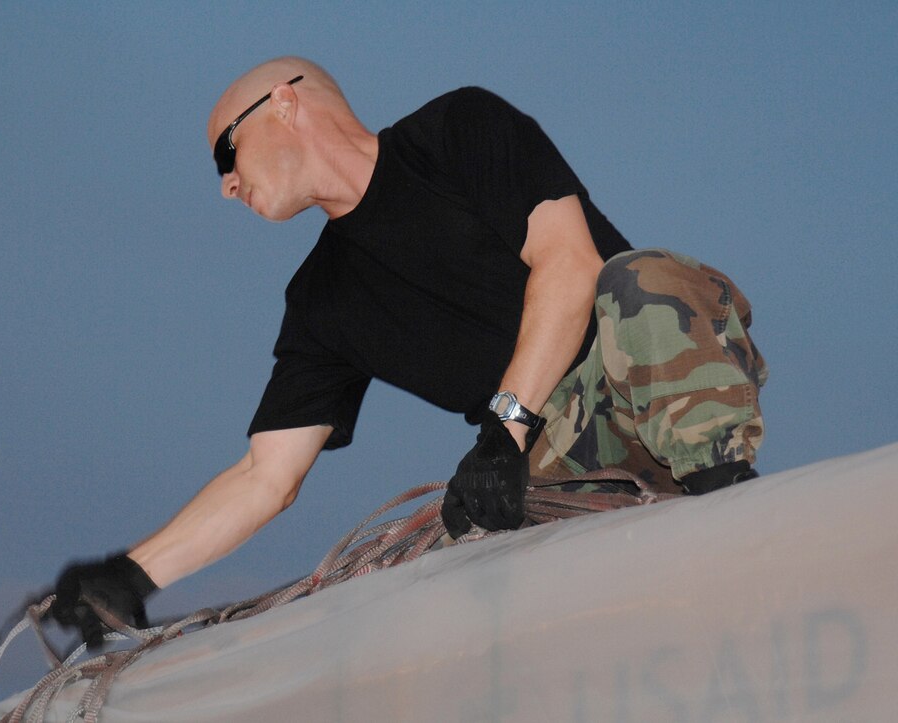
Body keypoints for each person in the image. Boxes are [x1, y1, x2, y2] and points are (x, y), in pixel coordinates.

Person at [49, 57, 767, 646]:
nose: (226, 185)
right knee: (448, 582)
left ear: (283, 105)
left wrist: (502, 429)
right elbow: (265, 476)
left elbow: (571, 264)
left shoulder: (459, 130)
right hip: (557, 461)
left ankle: (734, 515)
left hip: (646, 370)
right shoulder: (321, 301)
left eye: (224, 155)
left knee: (637, 279)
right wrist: (130, 575)